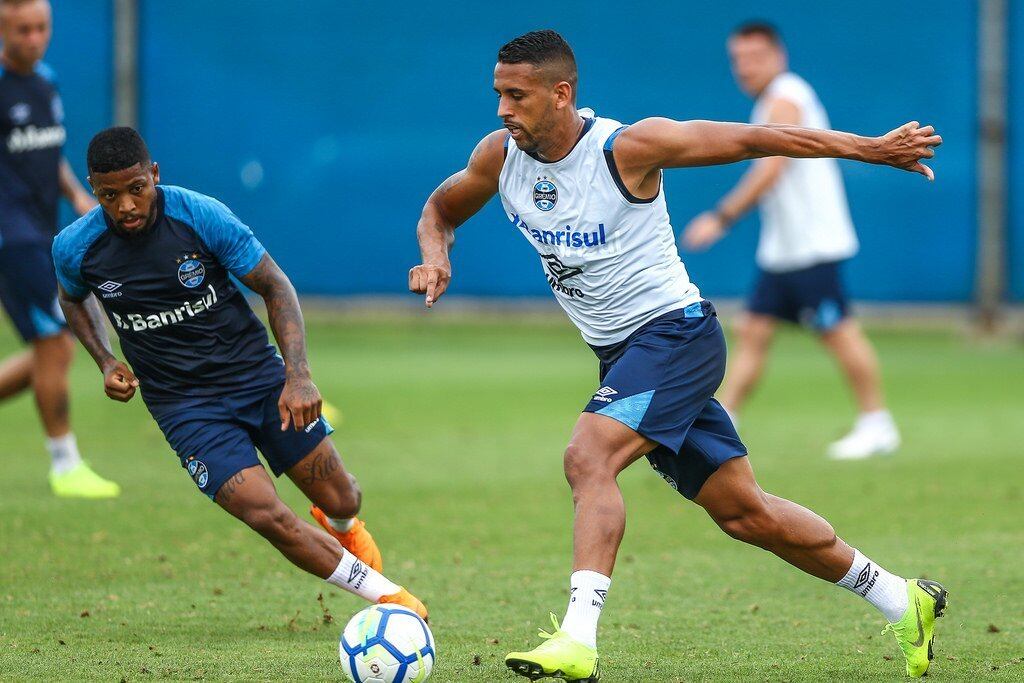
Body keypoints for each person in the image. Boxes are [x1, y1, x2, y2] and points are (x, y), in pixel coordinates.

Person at [410, 29, 944, 680]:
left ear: (561, 93)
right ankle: (901, 597)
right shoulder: (500, 156)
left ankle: (578, 637)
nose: (501, 109)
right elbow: (440, 209)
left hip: (676, 336)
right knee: (746, 513)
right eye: (497, 93)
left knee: (588, 455)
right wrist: (435, 257)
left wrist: (872, 149)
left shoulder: (627, 148)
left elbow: (756, 140)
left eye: (516, 95)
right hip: (623, 358)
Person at [53, 127, 427, 620]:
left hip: (258, 379)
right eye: (109, 195)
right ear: (93, 188)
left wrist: (298, 377)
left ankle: (342, 526)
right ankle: (390, 599)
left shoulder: (199, 216)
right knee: (265, 514)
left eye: (136, 188)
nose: (125, 205)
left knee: (342, 495)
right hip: (184, 408)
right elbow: (72, 298)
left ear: (155, 175)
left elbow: (275, 286)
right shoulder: (76, 247)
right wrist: (105, 359)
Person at [682, 22, 899, 460]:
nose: (744, 68)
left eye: (755, 57)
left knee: (837, 331)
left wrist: (722, 217)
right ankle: (724, 424)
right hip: (783, 248)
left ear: (778, 57)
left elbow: (771, 167)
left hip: (811, 244)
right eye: (737, 60)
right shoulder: (769, 100)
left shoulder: (787, 95)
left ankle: (878, 423)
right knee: (754, 332)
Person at [0, 0, 118, 496]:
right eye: (23, 29)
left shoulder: (46, 81)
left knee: (52, 345)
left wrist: (73, 193)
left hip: (41, 230)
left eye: (42, 27)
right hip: (12, 237)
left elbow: (48, 153)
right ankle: (65, 463)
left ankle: (65, 462)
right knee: (58, 341)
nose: (34, 38)